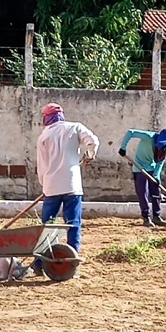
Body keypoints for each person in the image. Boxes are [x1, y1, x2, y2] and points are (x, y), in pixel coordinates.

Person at [24, 103, 99, 278]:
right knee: (73, 224)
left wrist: (45, 184)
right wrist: (90, 155)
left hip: (51, 187)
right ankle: (72, 265)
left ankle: (40, 263)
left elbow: (41, 166)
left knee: (47, 226)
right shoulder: (75, 127)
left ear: (46, 118)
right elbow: (93, 141)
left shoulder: (43, 137)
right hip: (72, 186)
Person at [118, 127, 166, 227]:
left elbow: (160, 162)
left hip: (152, 169)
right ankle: (146, 218)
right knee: (143, 193)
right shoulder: (149, 137)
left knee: (156, 193)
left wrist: (156, 176)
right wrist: (123, 148)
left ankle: (157, 216)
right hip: (139, 168)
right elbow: (130, 132)